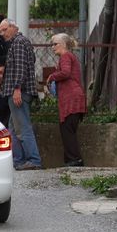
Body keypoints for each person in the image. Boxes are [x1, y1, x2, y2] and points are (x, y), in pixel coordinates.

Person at [0, 18, 42, 170]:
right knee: (13, 128)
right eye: (1, 31)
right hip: (19, 91)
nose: (2, 33)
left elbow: (20, 67)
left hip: (19, 92)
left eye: (5, 30)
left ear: (13, 27)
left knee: (23, 128)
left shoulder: (18, 42)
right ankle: (19, 160)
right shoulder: (22, 42)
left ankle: (34, 160)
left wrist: (17, 88)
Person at [46, 33, 86, 166]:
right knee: (69, 130)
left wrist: (52, 76)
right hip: (74, 98)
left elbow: (66, 72)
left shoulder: (65, 56)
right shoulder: (69, 56)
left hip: (71, 99)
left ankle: (75, 160)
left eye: (55, 44)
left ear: (63, 44)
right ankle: (72, 160)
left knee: (67, 131)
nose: (52, 47)